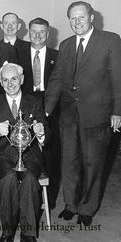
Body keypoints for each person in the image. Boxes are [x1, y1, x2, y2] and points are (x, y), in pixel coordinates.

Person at [45, 1, 121, 226]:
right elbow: (57, 78)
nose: (76, 22)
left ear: (91, 18)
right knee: (69, 162)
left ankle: (87, 208)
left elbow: (118, 79)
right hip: (69, 114)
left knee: (93, 163)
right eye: (72, 18)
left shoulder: (110, 40)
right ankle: (71, 204)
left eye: (81, 17)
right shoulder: (66, 44)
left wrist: (118, 111)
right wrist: (46, 112)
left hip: (97, 113)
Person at [0, 63, 49, 242]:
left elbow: (48, 132)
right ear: (1, 83)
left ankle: (28, 234)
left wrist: (41, 132)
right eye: (5, 80)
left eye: (14, 79)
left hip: (29, 156)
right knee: (8, 177)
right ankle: (8, 232)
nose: (10, 84)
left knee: (29, 179)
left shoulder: (34, 102)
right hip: (1, 156)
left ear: (22, 79)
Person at [18, 17, 60, 208]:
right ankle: (25, 196)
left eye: (41, 32)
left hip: (51, 107)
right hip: (26, 106)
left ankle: (49, 199)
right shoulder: (18, 53)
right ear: (28, 32)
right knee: (26, 151)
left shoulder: (57, 55)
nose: (37, 35)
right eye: (33, 31)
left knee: (51, 152)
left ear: (48, 34)